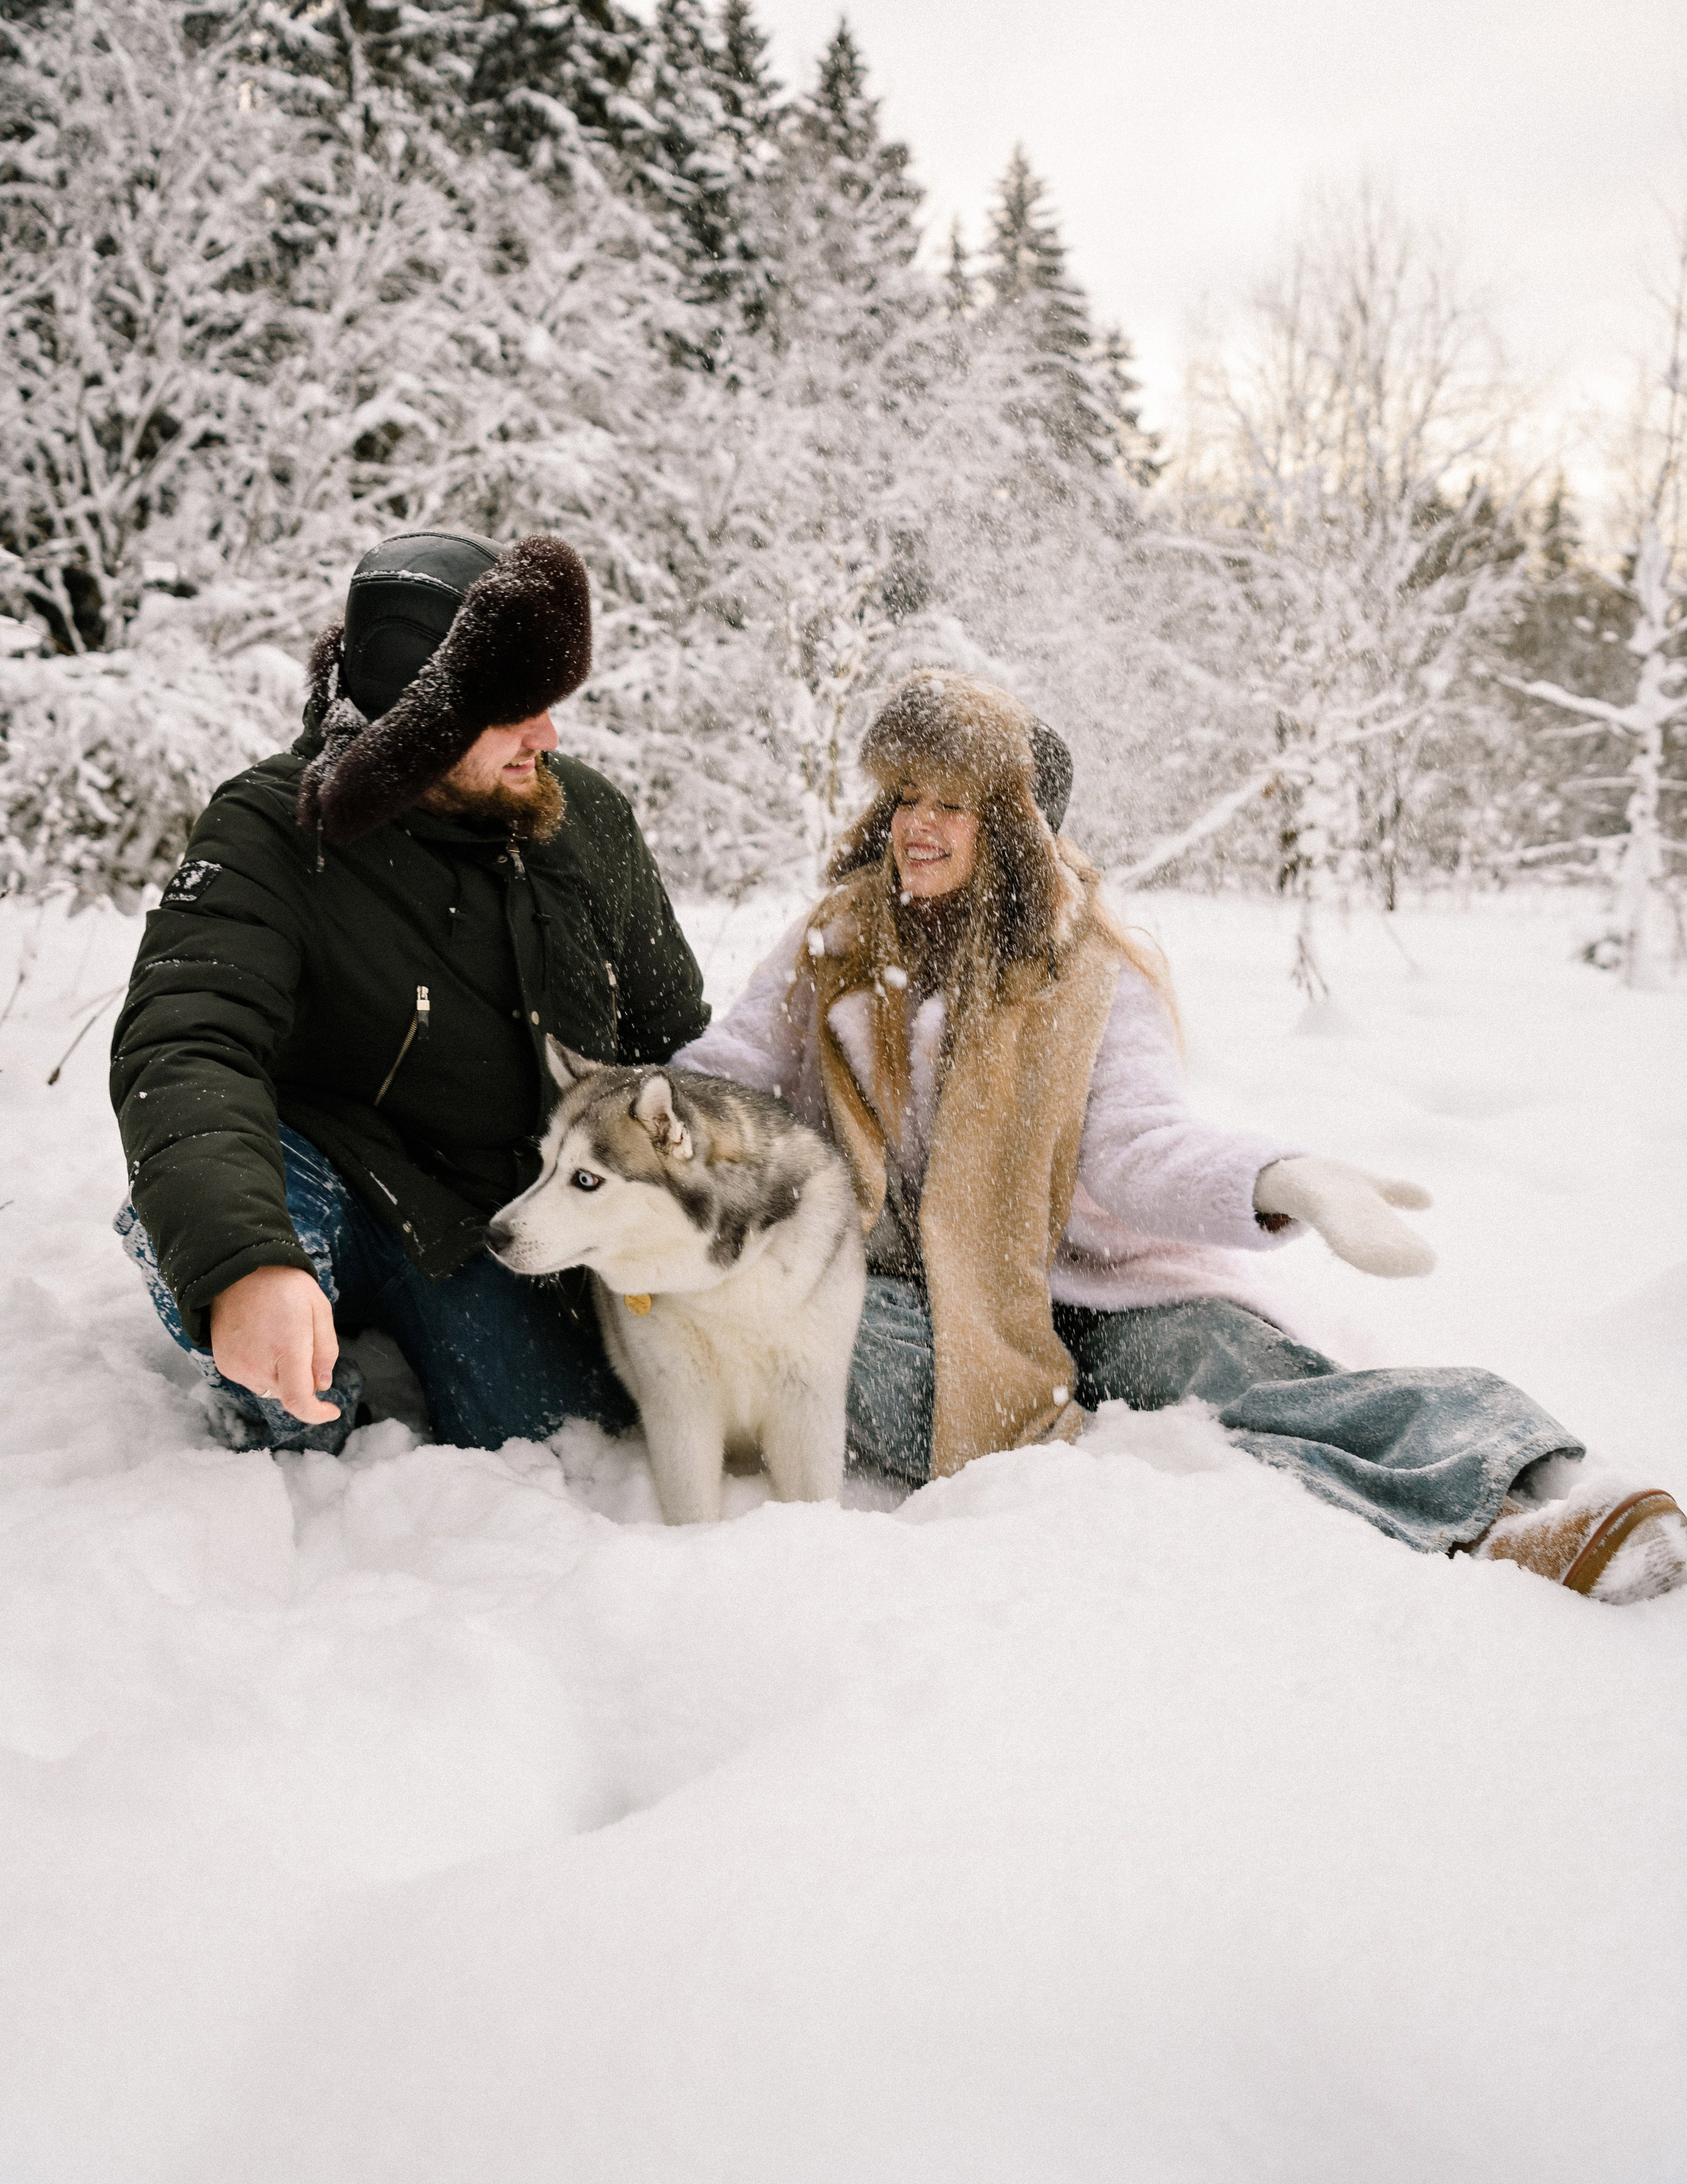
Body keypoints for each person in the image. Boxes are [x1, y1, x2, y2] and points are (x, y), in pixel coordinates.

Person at [676, 668, 1687, 1605]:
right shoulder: (835, 941)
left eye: (950, 805)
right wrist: (645, 1127)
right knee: (824, 1334)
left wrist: (1285, 1180)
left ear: (1011, 829)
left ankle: (1532, 1495)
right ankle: (1451, 1521)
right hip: (915, 1294)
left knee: (1230, 1370)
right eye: (905, 798)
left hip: (1089, 1285)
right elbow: (729, 1072)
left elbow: (1139, 1144)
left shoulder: (1090, 974)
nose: (917, 828)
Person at [111, 531, 708, 1455]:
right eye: (514, 711)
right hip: (343, 1178)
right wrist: (245, 1263)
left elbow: (676, 1043)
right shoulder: (272, 829)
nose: (548, 735)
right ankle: (298, 1399)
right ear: (418, 723)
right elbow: (188, 1042)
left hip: (505, 1228)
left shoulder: (584, 816)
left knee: (550, 1443)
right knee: (220, 1228)